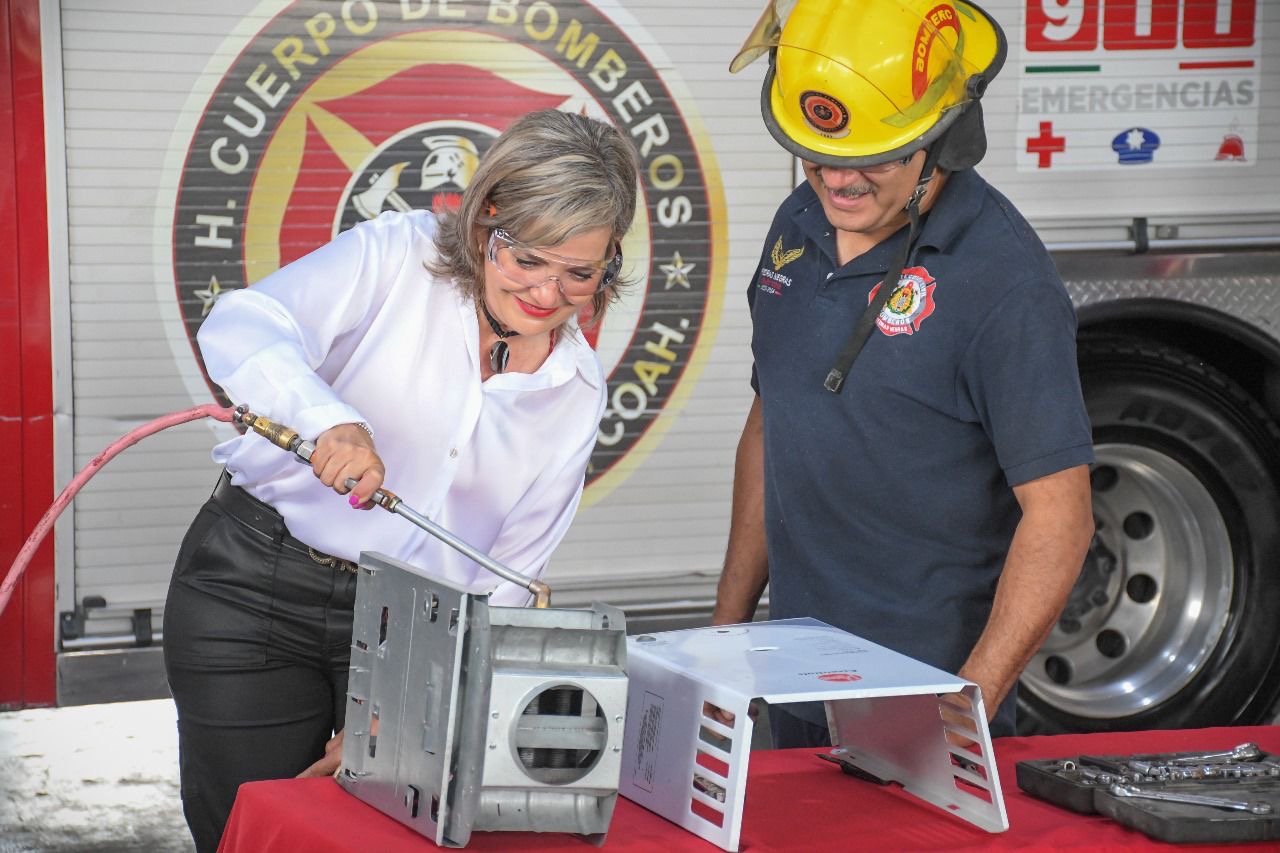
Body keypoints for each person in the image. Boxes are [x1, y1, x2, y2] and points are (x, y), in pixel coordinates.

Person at [162, 109, 641, 852]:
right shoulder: (399, 253)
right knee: (254, 827)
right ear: (486, 220)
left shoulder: (575, 392)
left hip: (411, 630)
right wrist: (328, 418)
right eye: (527, 260)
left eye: (579, 273)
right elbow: (243, 323)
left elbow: (506, 580)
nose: (548, 294)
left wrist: (407, 710)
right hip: (255, 588)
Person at [714, 0, 1095, 746]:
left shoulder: (1005, 282)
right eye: (816, 152)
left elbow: (1061, 517)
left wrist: (964, 710)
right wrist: (722, 644)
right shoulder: (798, 222)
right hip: (790, 682)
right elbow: (774, 421)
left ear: (945, 140)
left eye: (875, 157)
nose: (837, 180)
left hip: (921, 707)